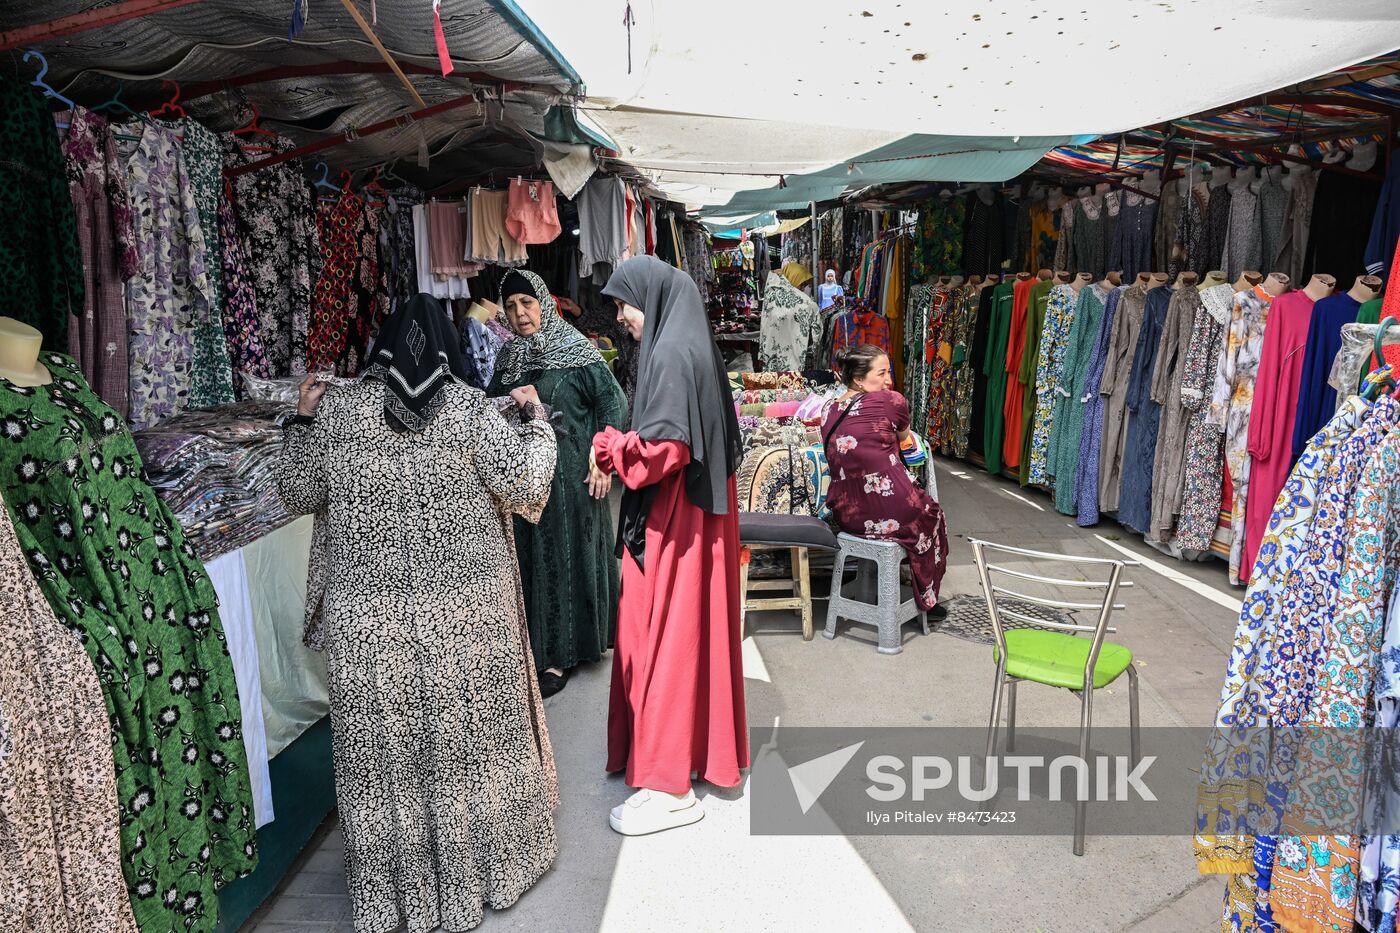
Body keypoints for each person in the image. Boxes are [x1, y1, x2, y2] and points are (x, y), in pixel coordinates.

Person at [276, 294, 561, 932]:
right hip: (464, 627)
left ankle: (394, 899)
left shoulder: (339, 414)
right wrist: (536, 418)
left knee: (385, 760)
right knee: (467, 749)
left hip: (368, 632)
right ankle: (480, 879)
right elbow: (530, 482)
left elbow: (295, 490)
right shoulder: (472, 412)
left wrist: (300, 418)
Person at [589, 255, 748, 836]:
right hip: (692, 517)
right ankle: (676, 756)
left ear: (650, 298)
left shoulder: (674, 353)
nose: (622, 318)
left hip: (678, 521)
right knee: (679, 635)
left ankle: (668, 782)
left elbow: (666, 451)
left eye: (625, 304)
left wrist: (610, 447)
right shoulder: (684, 338)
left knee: (668, 639)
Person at [488, 269, 627, 697]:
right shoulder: (509, 359)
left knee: (569, 556)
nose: (520, 313)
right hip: (526, 476)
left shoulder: (577, 351)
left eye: (527, 303)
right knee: (536, 560)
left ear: (543, 303)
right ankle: (540, 647)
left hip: (572, 477)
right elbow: (490, 405)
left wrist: (602, 458)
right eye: (510, 306)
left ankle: (561, 655)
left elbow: (614, 403)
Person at [822, 343, 949, 615]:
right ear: (858, 379)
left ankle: (900, 580)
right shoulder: (892, 401)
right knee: (932, 516)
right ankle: (927, 598)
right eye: (881, 374)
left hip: (846, 515)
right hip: (891, 513)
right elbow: (907, 442)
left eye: (888, 372)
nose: (888, 380)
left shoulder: (827, 409)